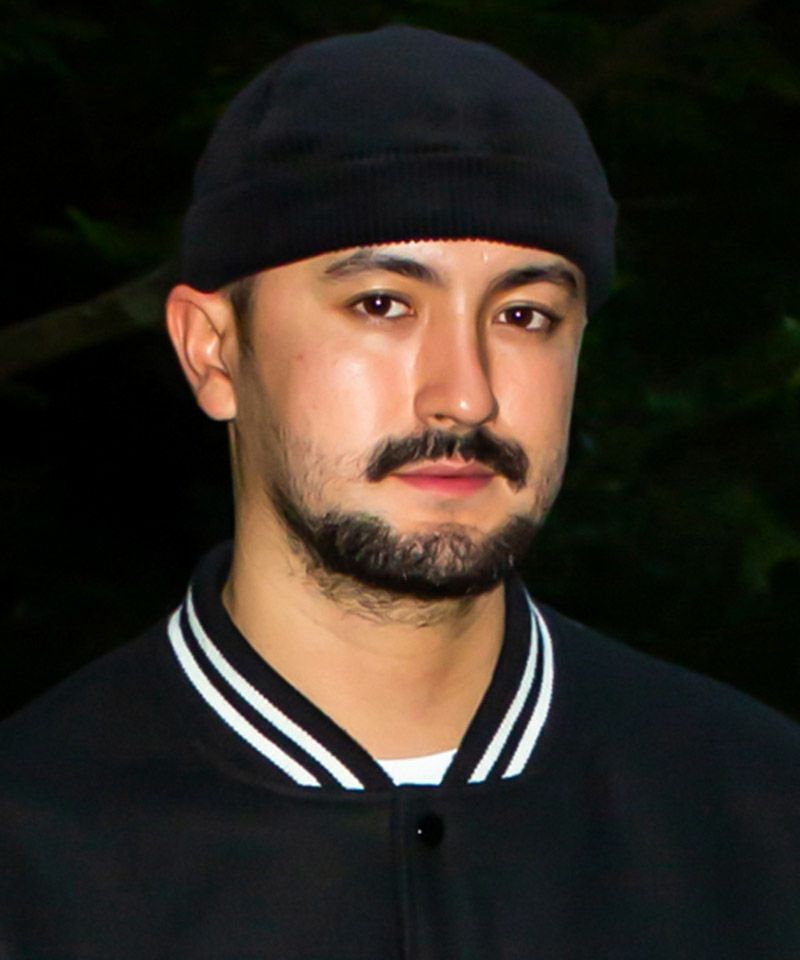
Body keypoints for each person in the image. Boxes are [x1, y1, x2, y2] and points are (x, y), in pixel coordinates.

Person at [1, 24, 798, 959]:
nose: (466, 394)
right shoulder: (30, 852)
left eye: (524, 315)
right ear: (213, 352)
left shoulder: (757, 816)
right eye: (382, 304)